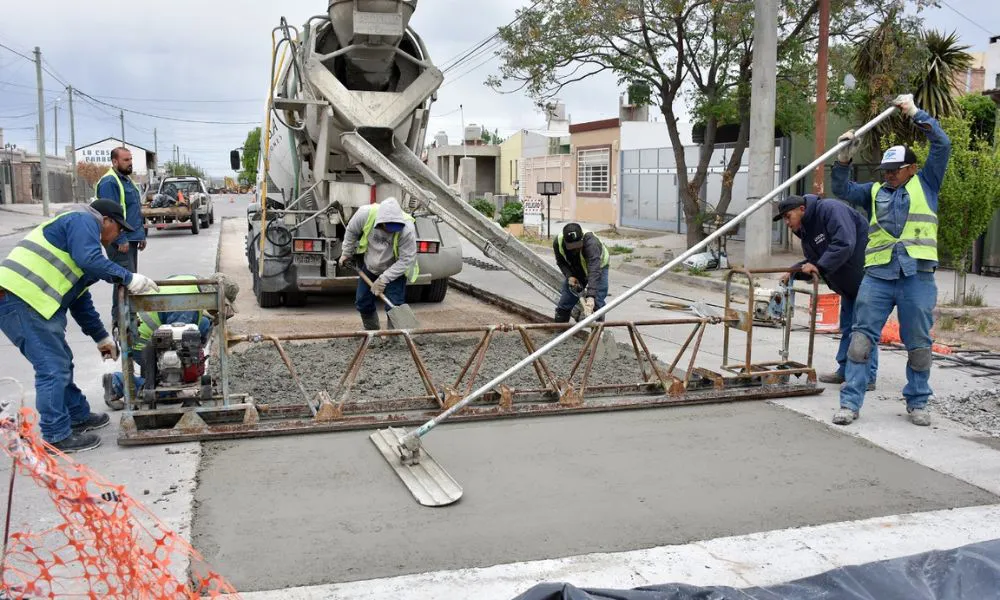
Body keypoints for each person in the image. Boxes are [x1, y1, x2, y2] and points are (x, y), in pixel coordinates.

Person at [0, 199, 160, 453]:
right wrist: (128, 277)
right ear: (105, 220)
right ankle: (56, 435)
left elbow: (80, 302)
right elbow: (90, 259)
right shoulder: (82, 220)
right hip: (19, 298)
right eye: (118, 228)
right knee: (52, 367)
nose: (118, 236)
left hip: (31, 302)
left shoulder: (79, 247)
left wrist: (101, 338)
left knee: (61, 360)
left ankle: (77, 415)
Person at [830, 93, 951, 426]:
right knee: (859, 340)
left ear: (912, 168)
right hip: (878, 277)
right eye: (886, 170)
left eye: (896, 170)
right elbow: (841, 189)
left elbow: (942, 146)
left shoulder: (927, 184)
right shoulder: (873, 192)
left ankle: (918, 402)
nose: (890, 175)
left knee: (919, 344)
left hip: (917, 278)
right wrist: (842, 159)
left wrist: (915, 113)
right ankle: (850, 403)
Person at [775, 194, 878, 391]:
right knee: (848, 328)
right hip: (848, 284)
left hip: (866, 278)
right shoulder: (806, 229)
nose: (787, 223)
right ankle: (845, 369)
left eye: (788, 217)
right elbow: (816, 261)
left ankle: (866, 376)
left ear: (802, 209)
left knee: (863, 330)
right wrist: (795, 271)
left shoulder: (830, 210)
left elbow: (844, 243)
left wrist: (818, 267)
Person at [102, 274, 239, 410]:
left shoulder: (190, 283)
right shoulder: (186, 304)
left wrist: (215, 318)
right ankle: (118, 382)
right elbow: (176, 344)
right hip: (142, 344)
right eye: (223, 305)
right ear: (214, 295)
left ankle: (151, 374)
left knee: (204, 323)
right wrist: (188, 385)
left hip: (146, 332)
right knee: (171, 390)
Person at [336, 197, 418, 331]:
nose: (392, 232)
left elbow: (406, 260)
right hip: (370, 266)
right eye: (389, 228)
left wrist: (383, 279)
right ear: (381, 222)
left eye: (395, 229)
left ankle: (396, 340)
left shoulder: (407, 229)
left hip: (394, 269)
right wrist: (346, 253)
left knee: (394, 305)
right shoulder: (365, 214)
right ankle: (372, 334)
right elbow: (351, 231)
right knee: (363, 302)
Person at [95, 147, 146, 325]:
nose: (130, 162)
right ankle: (121, 322)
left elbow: (133, 209)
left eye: (130, 159)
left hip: (131, 239)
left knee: (130, 280)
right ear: (114, 162)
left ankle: (129, 318)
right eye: (125, 160)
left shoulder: (126, 180)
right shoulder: (110, 182)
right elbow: (111, 215)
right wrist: (120, 239)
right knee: (123, 281)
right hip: (119, 241)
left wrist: (141, 234)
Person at [553, 223, 610, 322]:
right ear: (565, 242)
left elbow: (594, 270)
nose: (575, 249)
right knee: (566, 299)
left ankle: (598, 334)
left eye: (577, 246)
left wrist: (591, 296)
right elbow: (561, 262)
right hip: (577, 268)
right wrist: (569, 276)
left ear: (582, 239)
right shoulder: (558, 242)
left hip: (598, 267)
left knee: (597, 302)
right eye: (571, 247)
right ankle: (560, 333)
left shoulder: (592, 243)